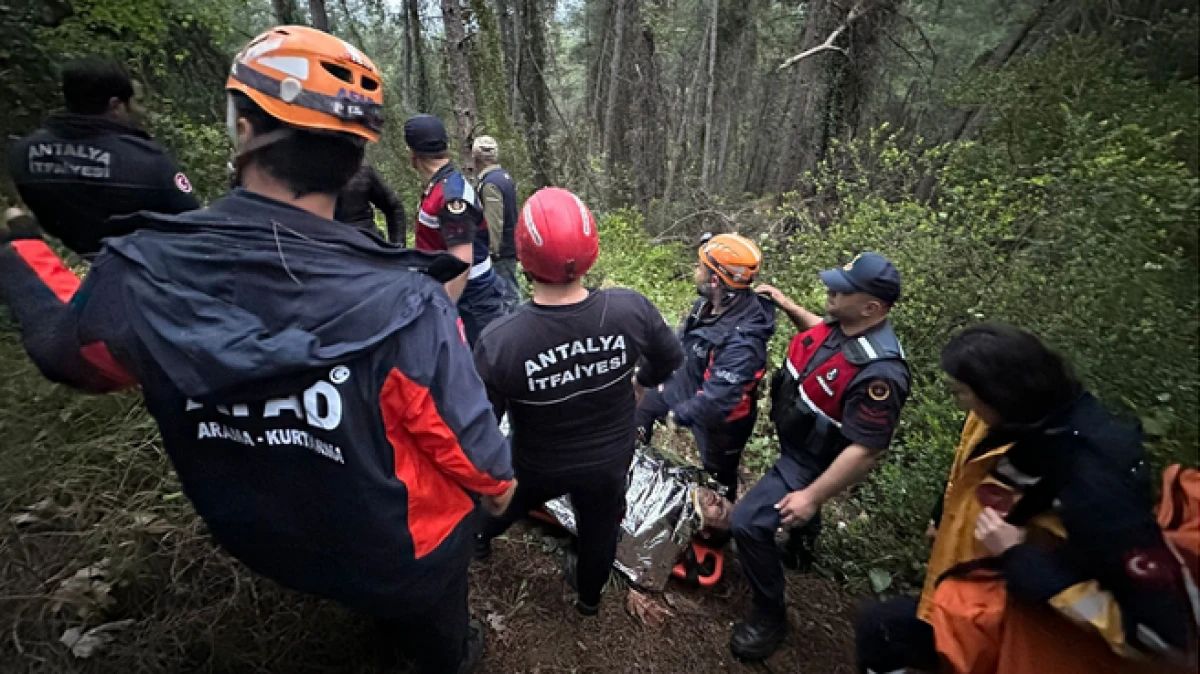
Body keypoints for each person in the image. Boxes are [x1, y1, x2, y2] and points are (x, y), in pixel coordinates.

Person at [0, 27, 514, 674]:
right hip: (403, 551)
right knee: (437, 636)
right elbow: (471, 449)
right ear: (354, 158)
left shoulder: (140, 274)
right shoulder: (407, 305)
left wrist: (19, 249)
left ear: (244, 130)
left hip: (268, 540)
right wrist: (500, 494)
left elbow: (68, 353)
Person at [854, 323, 1196, 674]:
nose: (958, 402)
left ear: (998, 393)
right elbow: (977, 471)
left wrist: (1020, 556)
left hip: (1047, 643)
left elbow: (1163, 638)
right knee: (883, 633)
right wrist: (942, 515)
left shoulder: (1096, 484)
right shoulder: (1026, 419)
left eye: (960, 392)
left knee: (888, 635)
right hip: (982, 606)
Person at [473, 187, 685, 616]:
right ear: (591, 249)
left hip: (537, 462)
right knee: (600, 526)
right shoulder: (630, 310)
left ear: (524, 256)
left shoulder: (502, 341)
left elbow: (482, 424)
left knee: (512, 500)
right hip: (609, 460)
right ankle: (589, 600)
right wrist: (641, 381)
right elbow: (670, 358)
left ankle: (477, 541)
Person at [732, 252, 911, 661]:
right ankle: (801, 546)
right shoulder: (846, 326)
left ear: (871, 308)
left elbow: (866, 450)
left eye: (843, 289)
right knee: (782, 514)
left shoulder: (882, 375)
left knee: (747, 523)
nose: (831, 290)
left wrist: (811, 496)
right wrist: (789, 305)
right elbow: (827, 340)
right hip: (800, 441)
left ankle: (769, 616)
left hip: (812, 460)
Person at [8, 58, 200, 257]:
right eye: (137, 102)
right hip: (147, 266)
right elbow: (196, 225)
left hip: (69, 260)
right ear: (115, 106)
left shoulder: (23, 154)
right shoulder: (148, 162)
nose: (143, 111)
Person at [634, 233, 776, 500]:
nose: (695, 271)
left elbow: (719, 398)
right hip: (686, 383)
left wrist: (677, 415)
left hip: (720, 420)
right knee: (638, 410)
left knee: (718, 478)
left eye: (700, 267)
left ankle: (721, 516)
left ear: (715, 280)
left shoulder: (744, 342)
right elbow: (685, 340)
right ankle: (634, 475)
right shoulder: (708, 304)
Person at [406, 115, 509, 346]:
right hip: (458, 295)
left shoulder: (451, 197)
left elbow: (462, 263)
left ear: (412, 155)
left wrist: (441, 314)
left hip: (472, 301)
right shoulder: (440, 186)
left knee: (483, 363)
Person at [473, 135, 522, 308]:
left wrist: (491, 251)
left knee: (508, 297)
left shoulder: (490, 184)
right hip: (509, 245)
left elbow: (494, 221)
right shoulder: (504, 177)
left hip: (502, 251)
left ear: (476, 158)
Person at [335, 164, 407, 244]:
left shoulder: (361, 171)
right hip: (333, 242)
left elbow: (393, 207)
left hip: (366, 240)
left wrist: (397, 246)